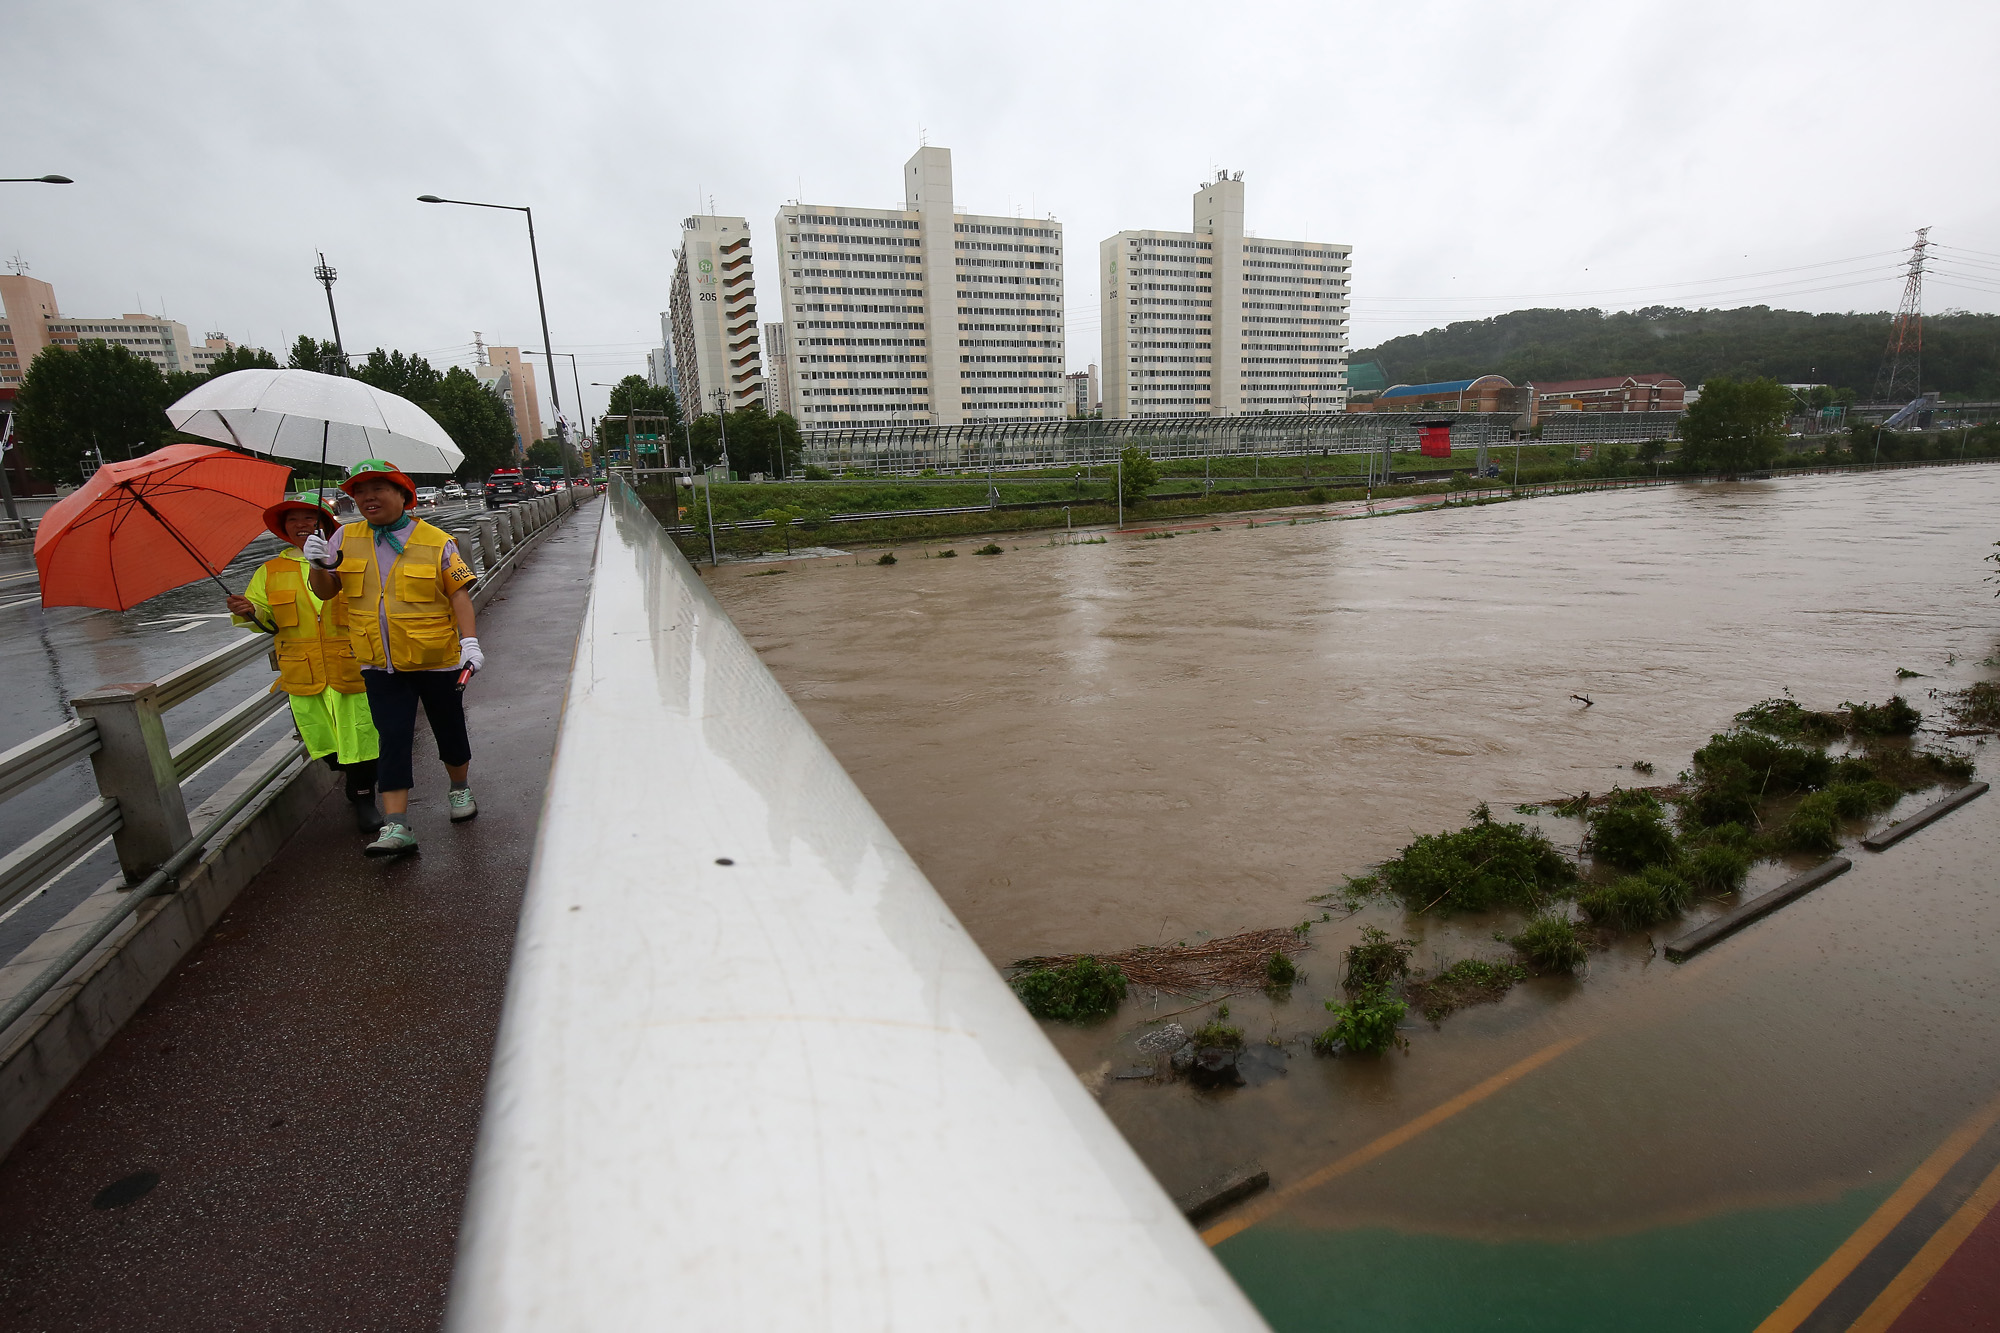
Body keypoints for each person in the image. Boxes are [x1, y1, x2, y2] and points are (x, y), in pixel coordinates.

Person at [304, 459, 483, 857]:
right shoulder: (345, 539)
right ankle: (397, 826)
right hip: (379, 663)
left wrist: (470, 643)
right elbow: (326, 591)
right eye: (359, 492)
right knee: (393, 738)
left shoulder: (437, 540)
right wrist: (316, 563)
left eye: (379, 489)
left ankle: (459, 789)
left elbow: (458, 595)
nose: (368, 498)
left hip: (436, 657)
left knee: (449, 729)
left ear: (404, 494)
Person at [224, 490, 383, 833]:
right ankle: (359, 783)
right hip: (303, 672)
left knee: (361, 737)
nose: (301, 525)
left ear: (324, 524)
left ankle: (363, 798)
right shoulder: (270, 571)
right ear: (284, 530)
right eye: (293, 520)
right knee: (327, 747)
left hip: (350, 665)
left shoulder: (346, 559)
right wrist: (250, 611)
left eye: (309, 518)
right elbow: (267, 620)